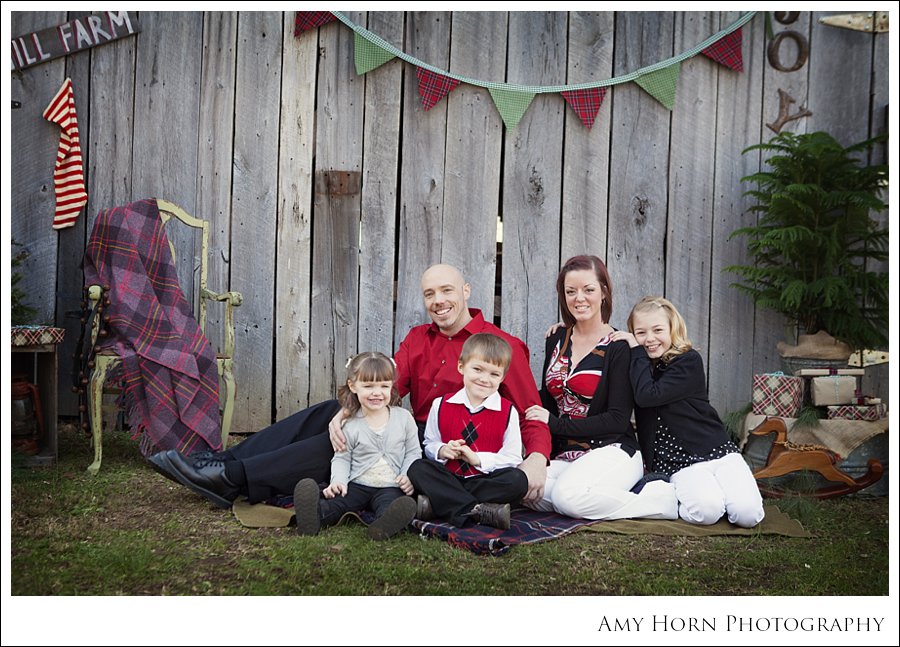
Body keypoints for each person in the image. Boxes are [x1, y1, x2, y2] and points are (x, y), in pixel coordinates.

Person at [148, 264, 550, 508]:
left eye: (447, 290)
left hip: (431, 454)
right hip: (413, 431)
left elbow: (532, 414)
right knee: (331, 414)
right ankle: (221, 461)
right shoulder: (417, 338)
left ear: (465, 292)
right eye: (430, 293)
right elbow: (386, 389)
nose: (438, 300)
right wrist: (346, 408)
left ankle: (232, 478)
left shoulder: (498, 349)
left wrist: (536, 460)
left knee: (344, 438)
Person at [523, 255, 678, 520]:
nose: (579, 298)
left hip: (611, 449)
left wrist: (555, 424)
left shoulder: (619, 346)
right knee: (524, 487)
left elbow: (618, 420)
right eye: (571, 291)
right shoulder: (556, 338)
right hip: (568, 453)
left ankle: (658, 502)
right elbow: (549, 402)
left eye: (589, 290)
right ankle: (585, 496)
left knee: (566, 498)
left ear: (604, 292)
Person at [610, 296, 765, 527]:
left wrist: (636, 351)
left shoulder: (687, 361)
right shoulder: (638, 365)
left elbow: (648, 395)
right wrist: (568, 329)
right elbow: (601, 339)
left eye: (658, 330)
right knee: (706, 512)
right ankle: (682, 494)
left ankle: (722, 495)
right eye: (640, 333)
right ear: (633, 334)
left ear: (673, 328)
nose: (649, 339)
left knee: (748, 515)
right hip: (678, 463)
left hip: (717, 451)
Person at [406, 333, 528, 530]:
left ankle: (437, 505)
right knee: (418, 468)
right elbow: (429, 443)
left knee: (518, 480)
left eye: (494, 374)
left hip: (483, 481)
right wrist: (442, 450)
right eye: (477, 369)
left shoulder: (507, 411)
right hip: (448, 476)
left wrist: (477, 459)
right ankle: (477, 511)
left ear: (503, 377)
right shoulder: (441, 404)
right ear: (461, 366)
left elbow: (513, 458)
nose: (484, 379)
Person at [293, 352, 420, 540]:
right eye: (368, 386)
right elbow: (342, 457)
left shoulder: (404, 418)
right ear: (353, 386)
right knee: (338, 504)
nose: (377, 393)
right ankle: (313, 516)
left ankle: (383, 526)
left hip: (391, 485)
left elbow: (413, 452)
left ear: (392, 386)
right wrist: (338, 481)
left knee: (391, 505)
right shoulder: (350, 423)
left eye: (384, 386)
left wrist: (407, 475)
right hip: (357, 483)